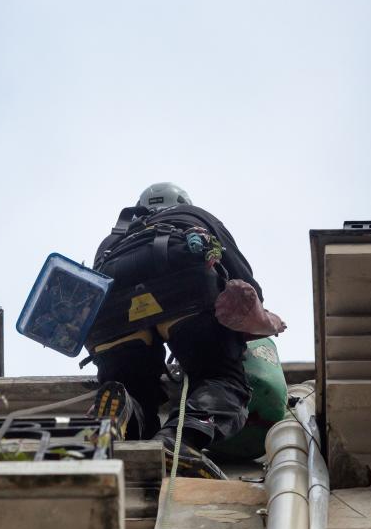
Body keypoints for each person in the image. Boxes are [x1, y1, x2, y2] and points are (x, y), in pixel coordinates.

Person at [85, 183, 285, 478]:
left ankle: (124, 408)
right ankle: (178, 441)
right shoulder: (195, 216)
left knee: (134, 387)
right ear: (181, 201)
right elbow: (240, 274)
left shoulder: (114, 238)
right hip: (183, 292)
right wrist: (261, 315)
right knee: (223, 379)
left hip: (111, 311)